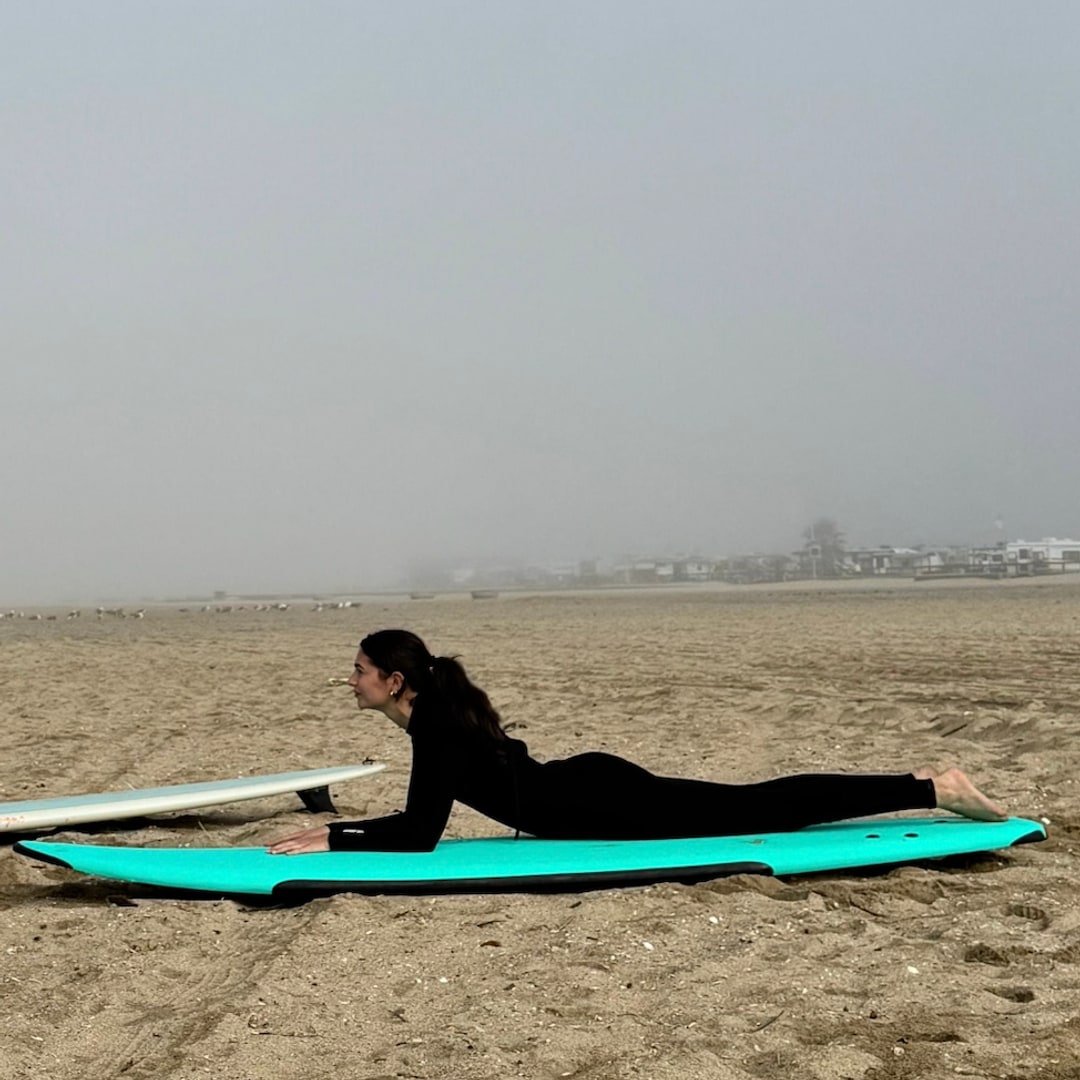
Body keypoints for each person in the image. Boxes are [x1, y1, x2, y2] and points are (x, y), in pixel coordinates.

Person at [268, 629, 1006, 855]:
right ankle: (922, 781)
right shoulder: (434, 718)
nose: (352, 679)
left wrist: (333, 836)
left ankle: (931, 786)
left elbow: (421, 832)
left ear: (395, 681)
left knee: (762, 811)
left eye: (361, 671)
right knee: (756, 805)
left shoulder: (434, 727)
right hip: (586, 789)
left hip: (601, 804)